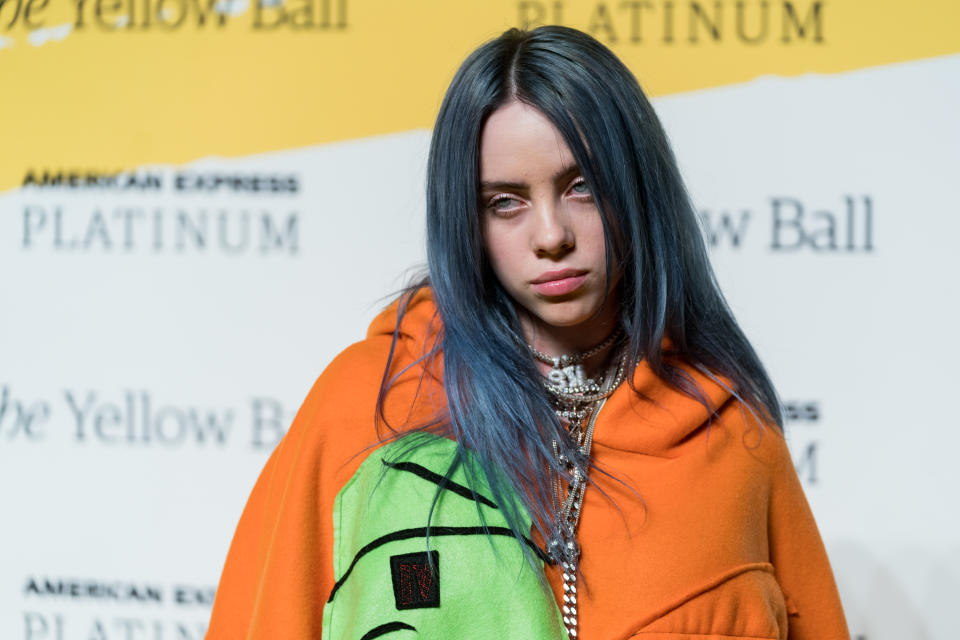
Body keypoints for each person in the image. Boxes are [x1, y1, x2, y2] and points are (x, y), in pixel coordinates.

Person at [206, 26, 849, 640]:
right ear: (466, 218)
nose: (550, 236)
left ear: (638, 189)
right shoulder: (366, 411)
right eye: (504, 202)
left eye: (583, 188)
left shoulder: (731, 434)